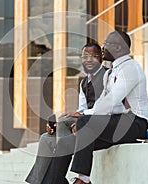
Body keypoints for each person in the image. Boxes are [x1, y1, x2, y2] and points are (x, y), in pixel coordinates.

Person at [41, 30, 148, 184]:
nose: (102, 47)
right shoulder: (111, 73)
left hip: (136, 124)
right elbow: (112, 106)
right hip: (116, 123)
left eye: (106, 44)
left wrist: (85, 119)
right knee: (64, 143)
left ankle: (83, 179)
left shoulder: (130, 68)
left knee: (85, 122)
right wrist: (85, 118)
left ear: (118, 48)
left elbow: (112, 101)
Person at [25, 42, 108, 184]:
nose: (88, 59)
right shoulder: (84, 82)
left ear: (101, 58)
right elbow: (82, 110)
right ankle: (36, 181)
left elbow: (107, 107)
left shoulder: (108, 76)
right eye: (85, 56)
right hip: (85, 119)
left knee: (65, 122)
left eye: (93, 56)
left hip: (101, 123)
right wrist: (58, 126)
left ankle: (58, 177)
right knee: (47, 137)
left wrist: (79, 116)